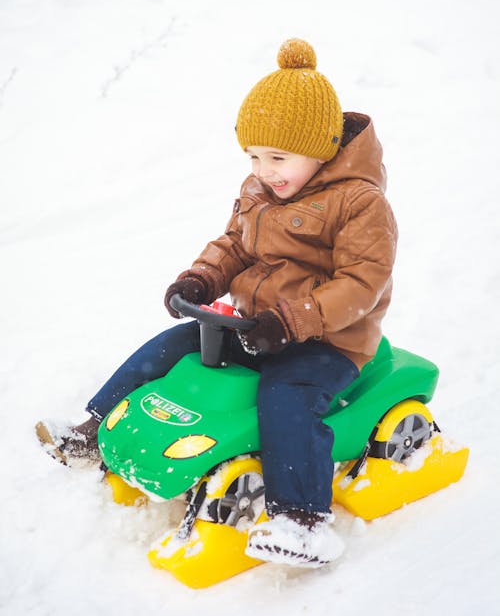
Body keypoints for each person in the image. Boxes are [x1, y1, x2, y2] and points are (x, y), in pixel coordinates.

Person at [39, 39, 397, 568]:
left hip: (327, 340)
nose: (265, 169)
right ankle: (95, 428)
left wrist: (290, 321)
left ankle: (302, 519)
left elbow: (361, 284)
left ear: (320, 148)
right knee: (172, 348)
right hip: (257, 324)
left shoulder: (361, 204)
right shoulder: (260, 188)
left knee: (285, 396)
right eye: (253, 156)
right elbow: (235, 245)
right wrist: (202, 279)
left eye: (278, 157)